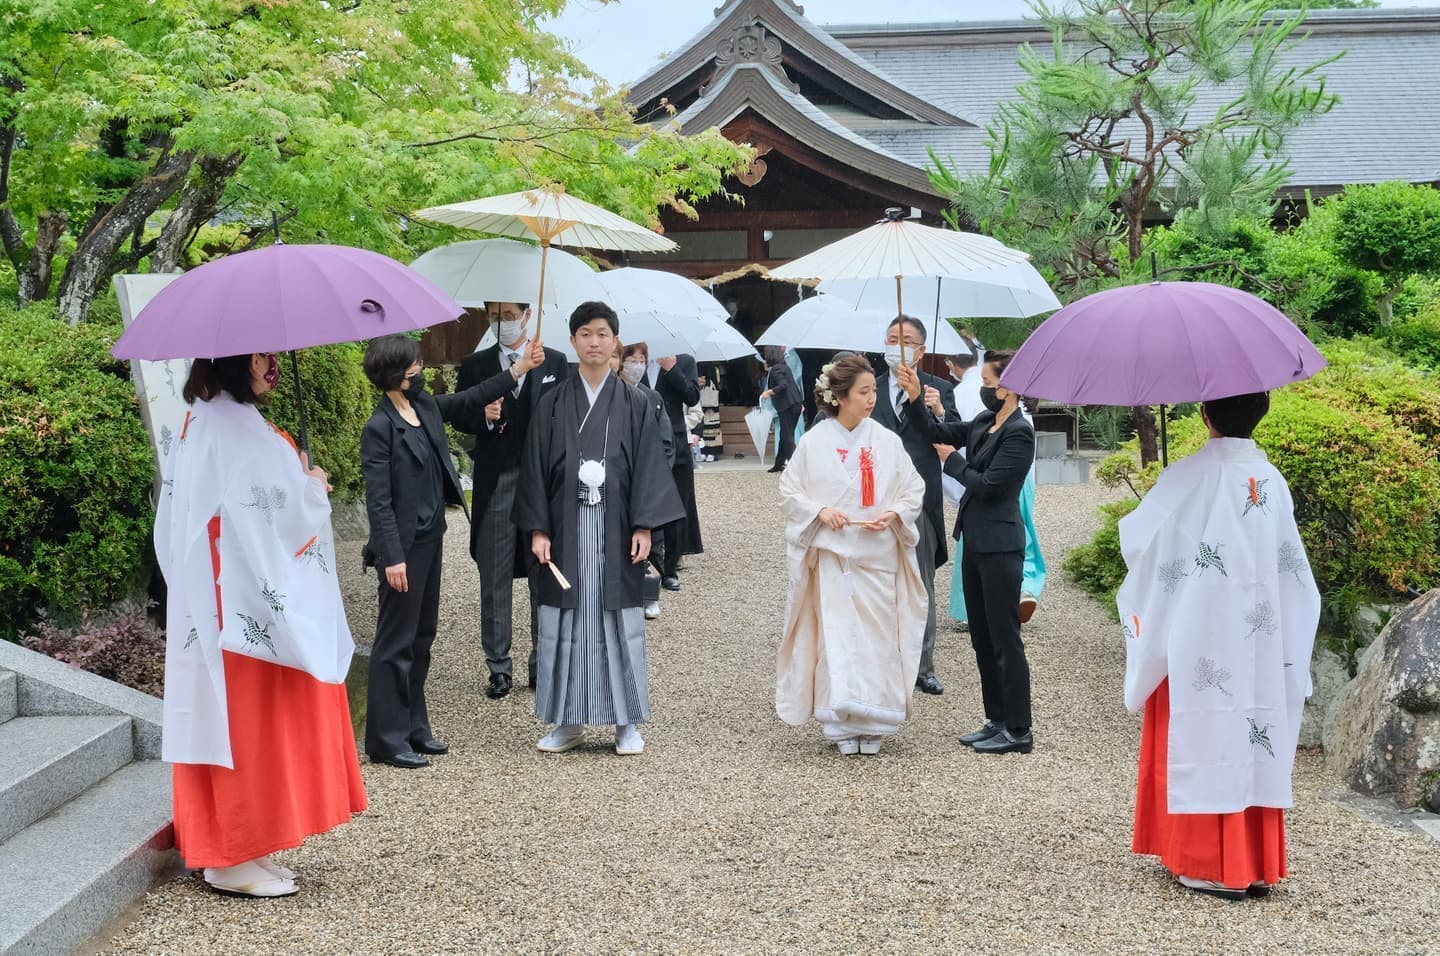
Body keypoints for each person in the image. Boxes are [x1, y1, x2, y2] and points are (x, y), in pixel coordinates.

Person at [155, 352, 365, 898]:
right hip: (240, 592)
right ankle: (230, 853)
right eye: (259, 355)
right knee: (248, 720)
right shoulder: (233, 425)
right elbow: (282, 511)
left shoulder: (209, 418)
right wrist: (313, 486)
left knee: (243, 719)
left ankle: (246, 844)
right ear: (230, 362)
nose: (270, 365)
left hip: (225, 583)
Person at [1118, 392, 1319, 899]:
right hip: (1262, 640)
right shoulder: (1272, 480)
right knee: (1254, 727)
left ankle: (1207, 861)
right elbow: (1294, 574)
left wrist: (1162, 498)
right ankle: (1254, 862)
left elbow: (1145, 549)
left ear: (1205, 414)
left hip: (1199, 635)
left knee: (1198, 727)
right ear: (1260, 412)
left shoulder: (1190, 476)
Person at [359, 334, 544, 768]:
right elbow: (379, 501)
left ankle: (414, 727)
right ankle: (386, 739)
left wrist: (518, 370)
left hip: (430, 537)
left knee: (422, 637)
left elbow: (470, 398)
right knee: (395, 642)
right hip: (401, 550)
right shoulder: (379, 427)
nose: (420, 369)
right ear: (395, 373)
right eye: (414, 365)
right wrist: (392, 557)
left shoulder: (422, 408)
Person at [515, 301, 684, 756]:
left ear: (616, 341)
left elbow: (649, 462)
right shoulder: (551, 402)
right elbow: (533, 466)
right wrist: (538, 528)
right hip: (566, 525)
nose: (594, 341)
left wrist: (645, 524)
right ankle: (568, 720)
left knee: (619, 621)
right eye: (585, 333)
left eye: (603, 333)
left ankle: (625, 722)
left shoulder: (635, 401)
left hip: (616, 525)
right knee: (565, 620)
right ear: (572, 341)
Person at [776, 355, 928, 756]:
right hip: (834, 556)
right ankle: (840, 721)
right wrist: (820, 511)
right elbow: (790, 492)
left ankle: (876, 719)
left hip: (877, 555)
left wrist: (895, 512)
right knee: (837, 638)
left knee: (878, 639)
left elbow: (913, 487)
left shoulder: (886, 440)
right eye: (863, 392)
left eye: (873, 390)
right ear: (839, 397)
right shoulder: (814, 442)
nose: (871, 398)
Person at [456, 301, 570, 700]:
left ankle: (544, 662)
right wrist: (483, 415)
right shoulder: (475, 364)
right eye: (494, 315)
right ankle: (498, 666)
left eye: (508, 315)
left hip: (543, 485)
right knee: (495, 575)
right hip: (498, 480)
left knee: (545, 573)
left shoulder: (554, 361)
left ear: (526, 316)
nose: (501, 322)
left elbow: (570, 418)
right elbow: (458, 415)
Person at [926, 350, 1037, 754]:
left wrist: (953, 463)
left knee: (1005, 637)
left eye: (988, 385)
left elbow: (992, 485)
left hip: (1001, 544)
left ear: (1007, 388)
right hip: (974, 540)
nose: (985, 391)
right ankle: (996, 718)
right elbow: (944, 433)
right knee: (982, 636)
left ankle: (1019, 728)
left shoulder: (1019, 433)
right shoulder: (986, 422)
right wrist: (919, 400)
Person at [870, 316, 960, 696]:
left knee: (920, 582)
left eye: (906, 340)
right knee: (875, 580)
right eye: (892, 338)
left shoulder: (937, 388)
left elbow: (955, 432)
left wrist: (936, 410)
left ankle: (923, 666)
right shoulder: (868, 389)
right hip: (874, 499)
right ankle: (880, 660)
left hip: (919, 498)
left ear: (921, 351)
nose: (898, 345)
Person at [947, 396, 1047, 627]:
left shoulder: (974, 397)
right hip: (1023, 481)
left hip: (988, 480)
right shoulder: (1021, 412)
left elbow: (963, 433)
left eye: (987, 379)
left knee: (982, 547)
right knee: (1025, 539)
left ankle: (970, 610)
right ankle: (1026, 588)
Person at [619, 341, 675, 620]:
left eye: (642, 360)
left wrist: (657, 476)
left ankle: (651, 591)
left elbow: (666, 441)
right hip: (618, 480)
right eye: (632, 359)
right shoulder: (610, 395)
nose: (637, 365)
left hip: (648, 477)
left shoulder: (651, 397)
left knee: (652, 536)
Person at [648, 351, 703, 589]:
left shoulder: (684, 360)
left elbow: (691, 397)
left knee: (677, 504)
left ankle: (670, 567)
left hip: (676, 440)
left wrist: (672, 369)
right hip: (641, 438)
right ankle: (646, 564)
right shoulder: (633, 354)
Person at [759, 345, 803, 473]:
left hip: (788, 406)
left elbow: (783, 385)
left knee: (787, 436)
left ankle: (796, 466)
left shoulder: (776, 370)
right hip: (795, 404)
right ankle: (779, 464)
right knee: (784, 435)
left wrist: (769, 392)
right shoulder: (783, 367)